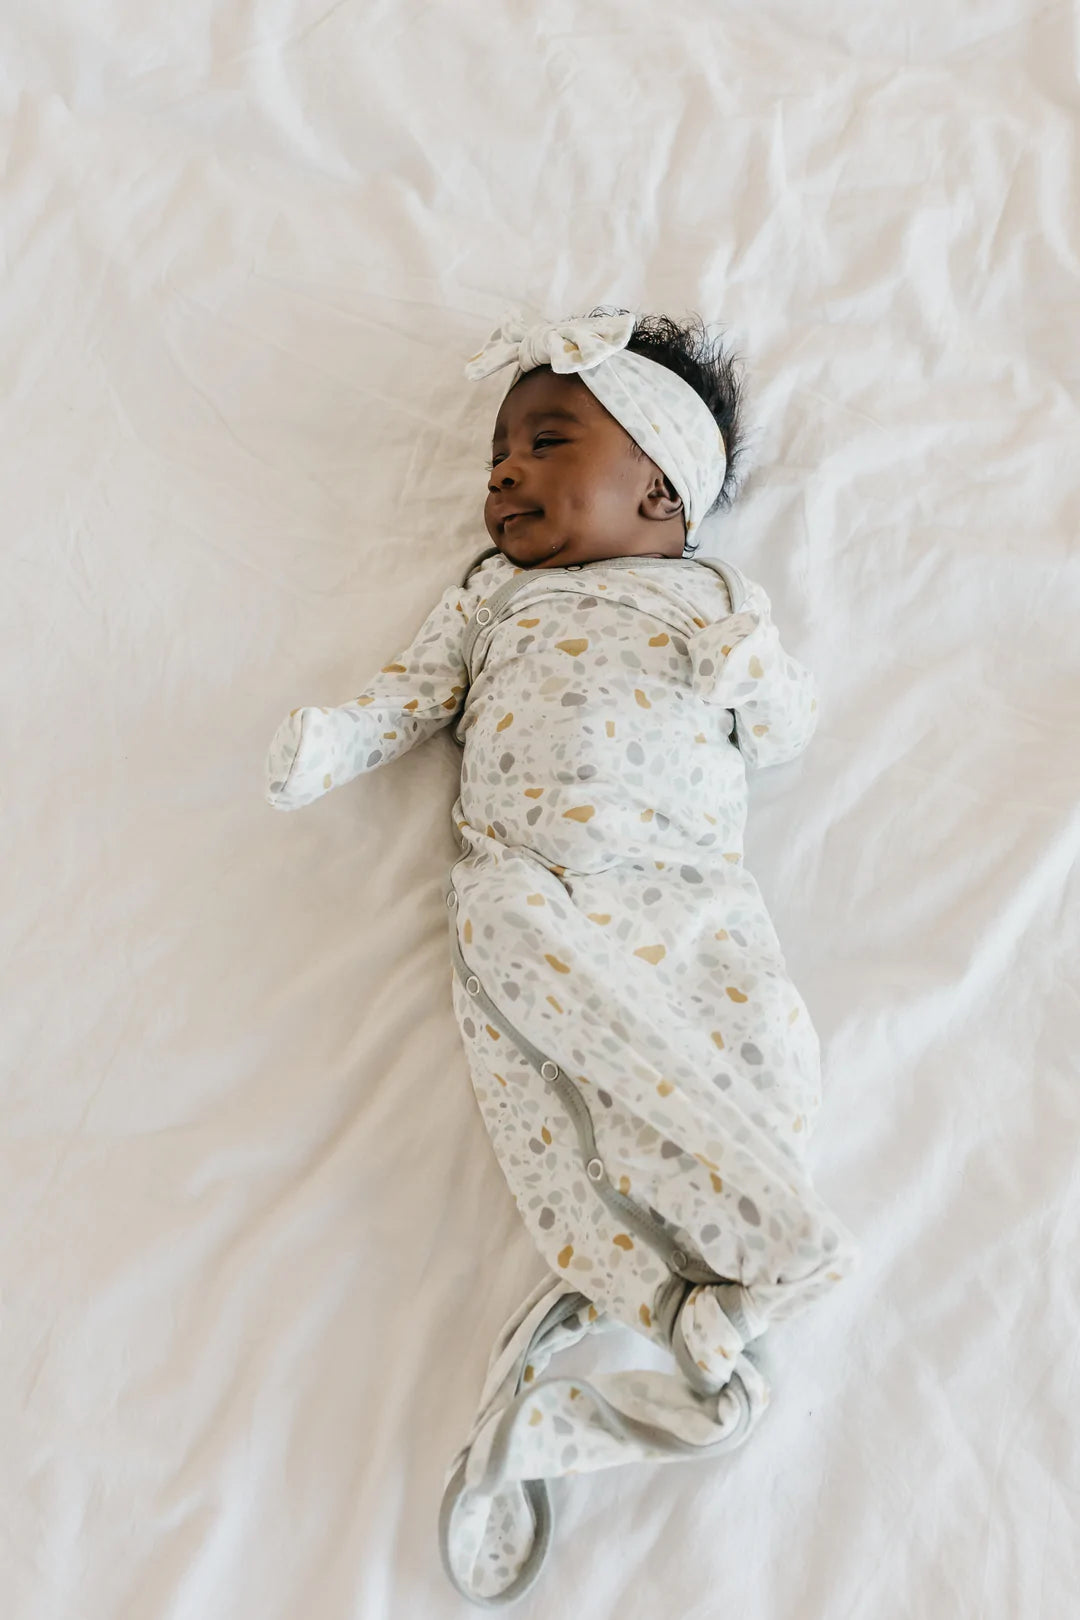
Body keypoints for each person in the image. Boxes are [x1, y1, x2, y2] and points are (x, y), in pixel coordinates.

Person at [265, 308, 857, 1606]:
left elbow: (786, 726)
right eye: (499, 454)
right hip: (532, 884)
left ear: (661, 490)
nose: (504, 474)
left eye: (545, 444)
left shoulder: (713, 598)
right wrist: (337, 743)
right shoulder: (493, 597)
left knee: (766, 1045)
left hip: (691, 895)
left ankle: (715, 1267)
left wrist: (756, 672)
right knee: (545, 1030)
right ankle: (692, 1276)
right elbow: (415, 693)